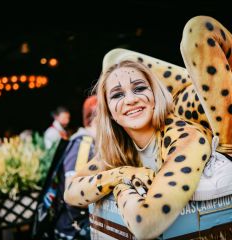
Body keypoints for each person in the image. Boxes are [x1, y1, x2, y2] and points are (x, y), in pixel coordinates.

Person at [64, 15, 232, 240]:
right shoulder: (121, 147)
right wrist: (123, 173)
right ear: (110, 113)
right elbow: (71, 192)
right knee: (113, 59)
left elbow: (146, 225)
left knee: (198, 30)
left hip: (223, 118)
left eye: (139, 88)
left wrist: (121, 186)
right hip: (190, 95)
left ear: (155, 96)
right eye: (117, 95)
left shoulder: (186, 138)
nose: (131, 99)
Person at [54, 95, 97, 240]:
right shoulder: (84, 143)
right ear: (95, 116)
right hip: (73, 231)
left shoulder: (93, 142)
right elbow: (71, 191)